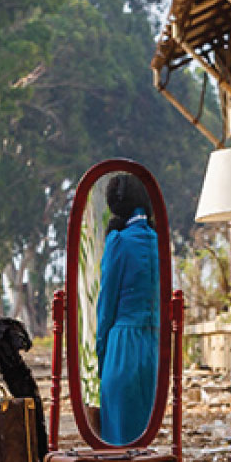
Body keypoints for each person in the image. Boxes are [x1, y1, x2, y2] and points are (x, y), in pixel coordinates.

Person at [96, 173, 159, 445]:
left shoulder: (119, 242)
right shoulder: (159, 241)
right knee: (145, 437)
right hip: (153, 347)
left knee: (117, 438)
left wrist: (101, 351)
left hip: (122, 345)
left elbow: (106, 306)